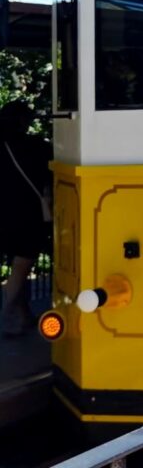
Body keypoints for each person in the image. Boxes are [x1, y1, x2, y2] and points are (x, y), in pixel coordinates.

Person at [0, 101, 51, 337]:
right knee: (21, 268)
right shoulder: (36, 147)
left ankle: (23, 315)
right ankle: (7, 316)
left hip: (4, 214)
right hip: (27, 215)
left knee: (17, 266)